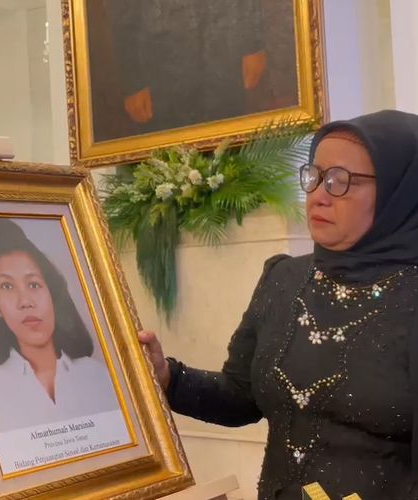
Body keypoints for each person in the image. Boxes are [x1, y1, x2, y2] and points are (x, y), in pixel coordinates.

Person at [140, 109, 418, 499]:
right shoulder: (284, 279)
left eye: (340, 181)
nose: (319, 195)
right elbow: (241, 397)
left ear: (398, 193)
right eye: (314, 176)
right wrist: (168, 377)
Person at [0, 219, 121, 434]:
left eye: (33, 284)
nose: (25, 301)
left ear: (52, 294)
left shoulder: (95, 374)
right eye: (7, 286)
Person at [101, 0, 267, 136]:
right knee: (170, 155)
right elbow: (120, 9)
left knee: (227, 145)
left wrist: (253, 43)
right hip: (160, 59)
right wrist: (132, 81)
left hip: (223, 45)